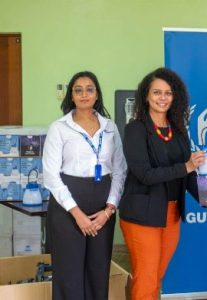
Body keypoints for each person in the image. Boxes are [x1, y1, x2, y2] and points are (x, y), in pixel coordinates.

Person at [119, 67, 206, 300]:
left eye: (168, 93)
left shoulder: (178, 131)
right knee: (146, 277)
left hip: (171, 214)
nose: (162, 98)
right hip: (142, 215)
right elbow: (145, 174)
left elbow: (187, 175)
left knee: (155, 276)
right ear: (146, 95)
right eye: (157, 92)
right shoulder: (135, 129)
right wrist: (186, 166)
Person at [43, 71, 127, 300]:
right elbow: (50, 175)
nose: (84, 94)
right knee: (68, 272)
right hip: (67, 203)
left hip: (103, 201)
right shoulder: (59, 128)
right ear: (71, 95)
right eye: (78, 90)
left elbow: (120, 170)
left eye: (89, 89)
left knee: (98, 270)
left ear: (97, 94)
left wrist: (109, 209)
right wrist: (77, 213)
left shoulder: (110, 128)